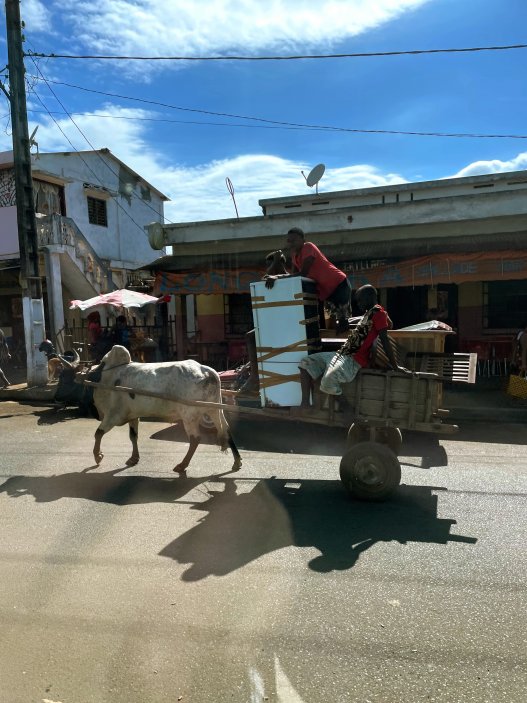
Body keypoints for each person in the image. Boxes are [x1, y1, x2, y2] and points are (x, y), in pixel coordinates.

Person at [298, 284, 410, 408]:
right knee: (306, 363)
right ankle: (305, 404)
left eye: (360, 300)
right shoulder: (370, 313)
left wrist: (396, 367)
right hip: (342, 354)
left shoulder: (378, 313)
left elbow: (385, 340)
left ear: (370, 297)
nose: (358, 304)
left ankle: (346, 408)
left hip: (352, 360)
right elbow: (389, 324)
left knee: (328, 380)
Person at [263, 227, 351, 330]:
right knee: (333, 326)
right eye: (289, 241)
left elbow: (303, 273)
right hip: (328, 293)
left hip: (339, 285)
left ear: (302, 240)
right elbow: (293, 277)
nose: (291, 243)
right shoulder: (294, 256)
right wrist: (277, 265)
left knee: (343, 323)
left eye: (294, 240)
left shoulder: (308, 247)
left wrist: (277, 277)